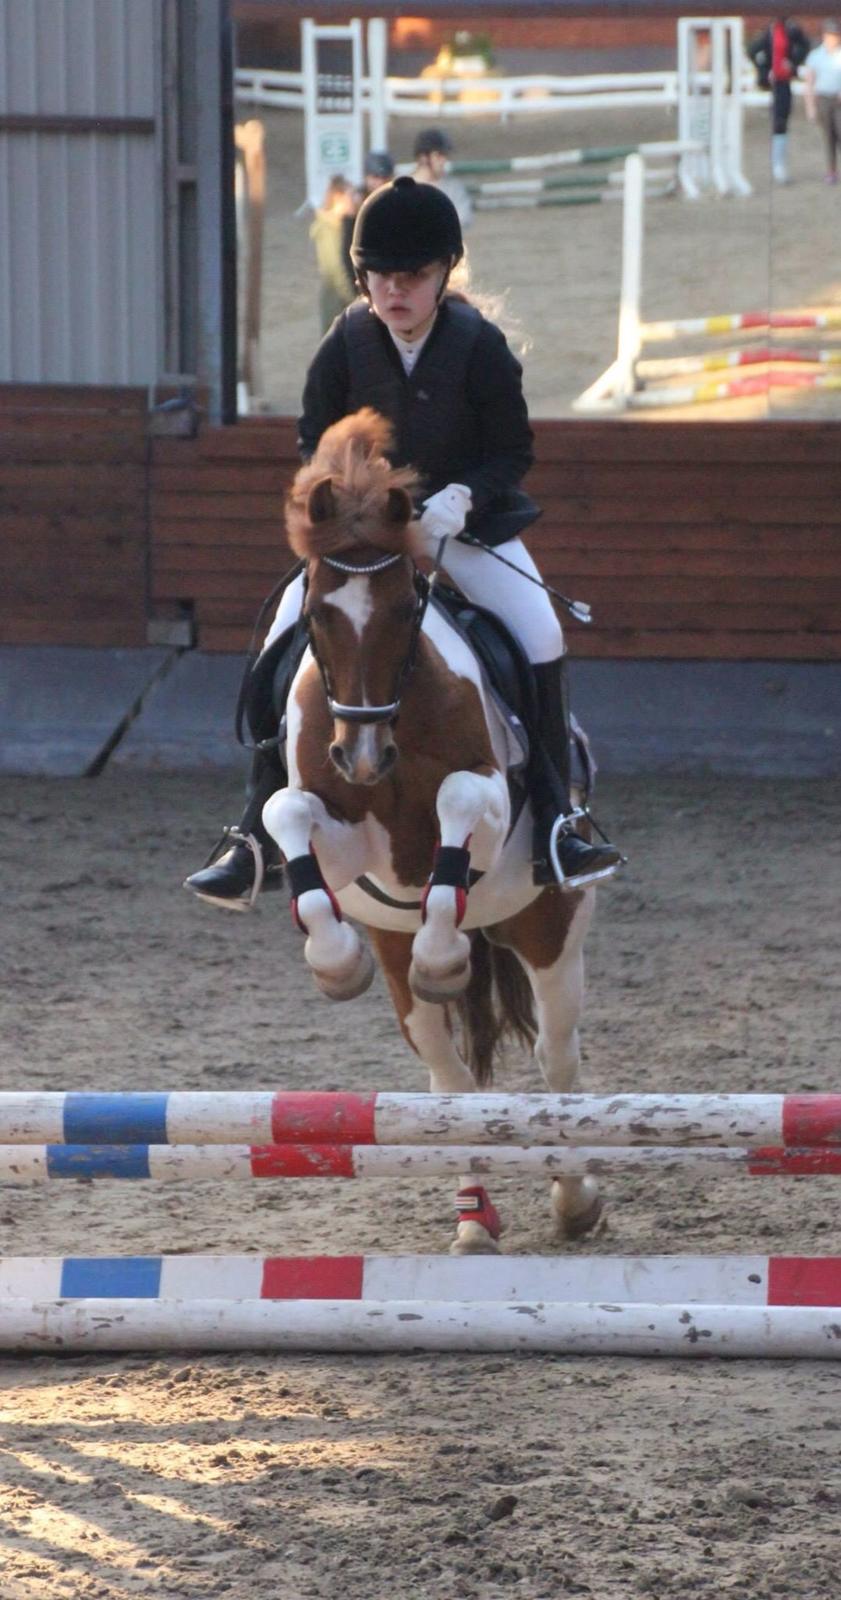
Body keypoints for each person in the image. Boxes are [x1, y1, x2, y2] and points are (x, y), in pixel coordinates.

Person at [184, 177, 624, 910]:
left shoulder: (479, 346)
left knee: (541, 633)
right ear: (362, 277)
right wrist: (349, 504)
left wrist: (465, 495)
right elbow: (312, 441)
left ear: (444, 272)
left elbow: (511, 450)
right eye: (380, 275)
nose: (395, 290)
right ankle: (253, 831)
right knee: (280, 638)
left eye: (413, 276)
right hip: (366, 542)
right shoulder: (345, 342)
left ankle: (556, 821)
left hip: (466, 529)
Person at [748, 16, 812, 183]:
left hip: (783, 81)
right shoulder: (767, 31)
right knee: (774, 120)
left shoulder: (792, 30)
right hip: (770, 82)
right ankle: (775, 163)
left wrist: (793, 63)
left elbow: (804, 46)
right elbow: (753, 50)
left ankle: (779, 164)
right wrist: (764, 69)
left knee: (781, 120)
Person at [309, 175, 356, 334]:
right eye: (350, 196)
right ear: (338, 198)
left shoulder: (340, 226)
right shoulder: (329, 231)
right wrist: (354, 300)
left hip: (340, 301)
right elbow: (336, 270)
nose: (354, 201)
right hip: (337, 303)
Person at [412, 127, 473, 228]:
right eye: (438, 155)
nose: (444, 160)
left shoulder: (453, 188)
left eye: (445, 155)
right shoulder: (402, 188)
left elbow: (463, 219)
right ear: (423, 157)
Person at [804, 19, 841, 181]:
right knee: (828, 136)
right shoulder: (816, 56)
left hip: (838, 99)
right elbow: (810, 82)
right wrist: (811, 107)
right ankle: (831, 170)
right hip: (823, 98)